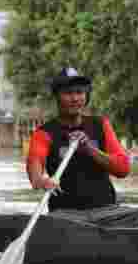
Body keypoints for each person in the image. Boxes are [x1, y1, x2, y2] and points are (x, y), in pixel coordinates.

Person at [26, 67, 131, 211]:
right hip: (67, 217)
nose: (75, 98)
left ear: (86, 96)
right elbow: (34, 170)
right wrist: (42, 181)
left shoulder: (101, 124)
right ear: (57, 96)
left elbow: (123, 169)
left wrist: (90, 149)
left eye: (79, 92)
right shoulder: (44, 133)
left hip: (106, 212)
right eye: (68, 93)